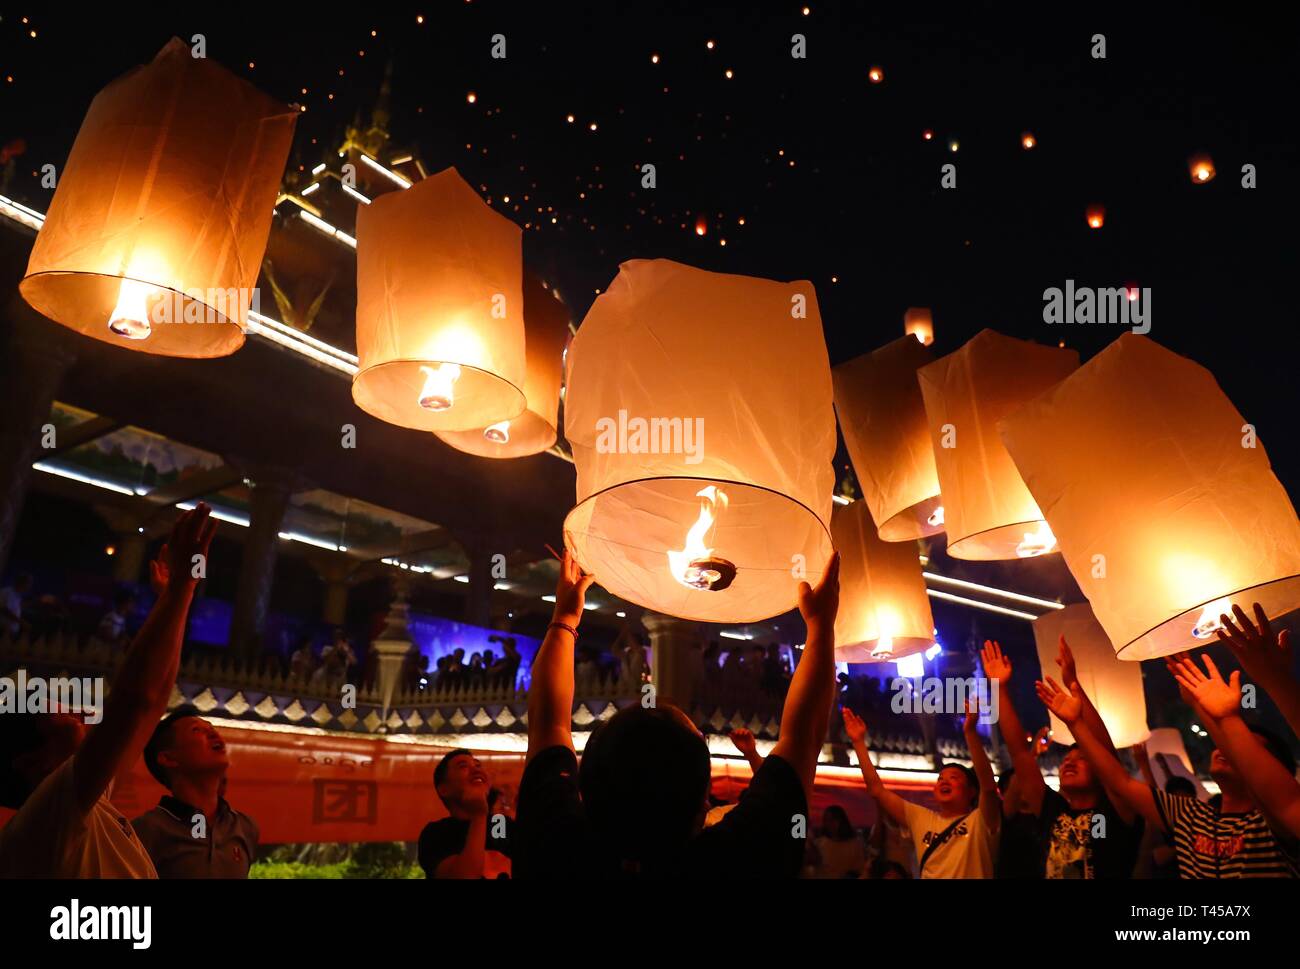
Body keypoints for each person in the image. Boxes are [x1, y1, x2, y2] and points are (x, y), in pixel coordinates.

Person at [513, 549, 840, 878]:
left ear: (585, 786)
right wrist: (821, 624)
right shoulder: (733, 861)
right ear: (703, 807)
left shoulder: (557, 849)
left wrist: (564, 619)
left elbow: (548, 723)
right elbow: (802, 737)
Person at [0, 504, 215, 877]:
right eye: (51, 712)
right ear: (31, 763)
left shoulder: (90, 806)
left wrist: (180, 595)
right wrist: (180, 588)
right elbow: (134, 702)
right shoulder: (44, 822)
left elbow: (152, 705)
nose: (70, 710)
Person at [1037, 640, 1298, 879]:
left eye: (1250, 749)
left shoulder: (1276, 825)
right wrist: (1075, 723)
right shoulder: (1189, 814)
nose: (1229, 749)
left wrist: (1226, 717)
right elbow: (1120, 780)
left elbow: (1285, 801)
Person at [982, 638, 1143, 878]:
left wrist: (1073, 684)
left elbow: (1105, 753)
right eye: (1067, 759)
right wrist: (999, 688)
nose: (1068, 762)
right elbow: (1020, 754)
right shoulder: (1053, 812)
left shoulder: (1110, 813)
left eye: (1082, 759)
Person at [842, 698, 1000, 878]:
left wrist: (970, 732)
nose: (944, 782)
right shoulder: (921, 818)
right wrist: (858, 743)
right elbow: (877, 790)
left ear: (971, 791)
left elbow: (988, 787)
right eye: (940, 779)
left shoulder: (981, 820)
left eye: (953, 778)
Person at [131, 708, 259, 878]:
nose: (214, 734)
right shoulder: (144, 832)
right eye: (196, 730)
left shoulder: (245, 827)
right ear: (168, 759)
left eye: (212, 728)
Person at [418, 749, 513, 878]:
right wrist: (479, 815)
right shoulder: (436, 833)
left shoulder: (499, 823)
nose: (477, 770)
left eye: (478, 765)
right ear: (444, 789)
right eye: (463, 766)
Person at [808, 804, 867, 878]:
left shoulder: (855, 845)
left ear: (842, 821)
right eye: (826, 820)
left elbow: (859, 870)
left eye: (832, 819)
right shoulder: (819, 843)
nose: (828, 823)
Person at [0, 572, 32, 638]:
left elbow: (14, 609)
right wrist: (21, 622)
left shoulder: (17, 596)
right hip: (3, 630)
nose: (29, 586)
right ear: (22, 583)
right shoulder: (6, 592)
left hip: (10, 632)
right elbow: (4, 609)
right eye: (28, 583)